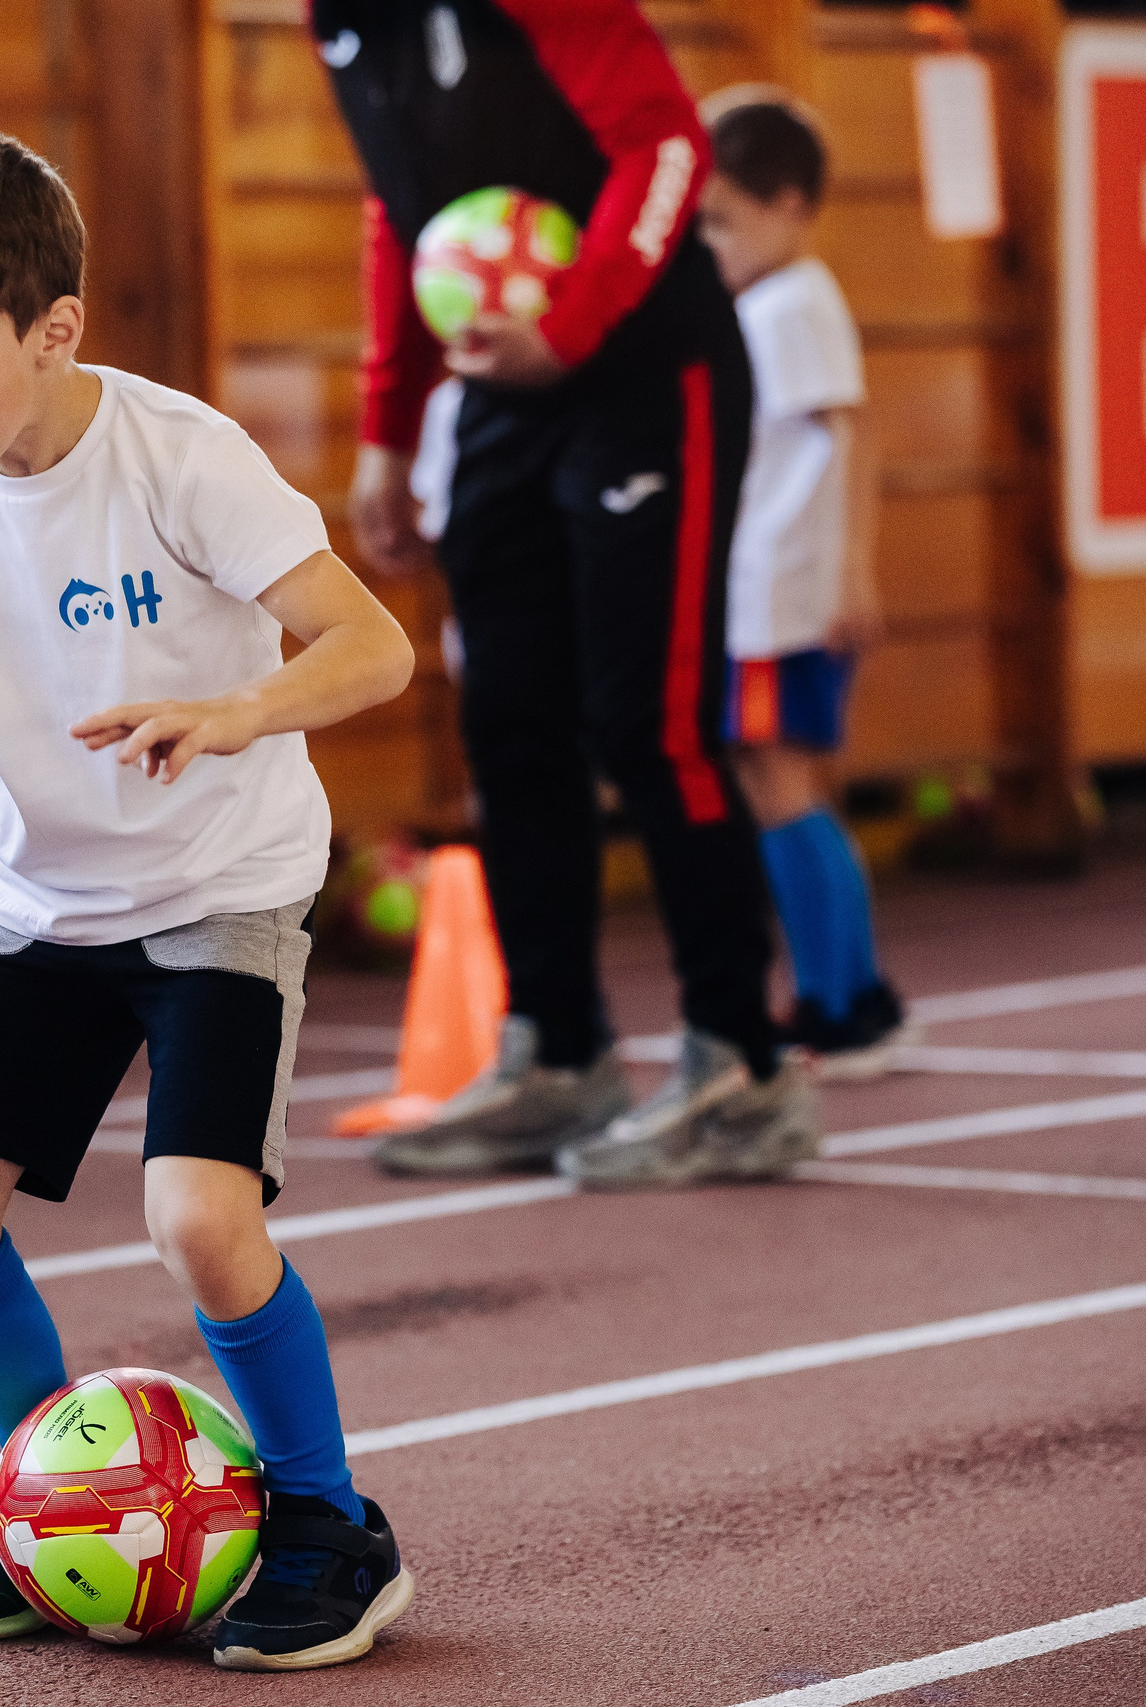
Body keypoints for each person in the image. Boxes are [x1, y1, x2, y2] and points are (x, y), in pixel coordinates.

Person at [0, 128, 420, 1670]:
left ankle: (326, 1521)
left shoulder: (180, 456)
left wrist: (233, 710)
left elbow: (372, 648)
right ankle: (38, 1492)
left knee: (198, 1218)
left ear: (53, 329)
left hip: (221, 888)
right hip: (47, 896)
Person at [314, 0, 822, 1188]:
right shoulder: (339, 19)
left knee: (650, 724)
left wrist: (578, 316)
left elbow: (665, 150)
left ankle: (746, 1069)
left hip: (647, 367)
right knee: (508, 728)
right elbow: (406, 213)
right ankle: (556, 1058)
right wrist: (389, 429)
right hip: (506, 390)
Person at [698, 93, 913, 1076]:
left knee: (780, 784)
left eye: (722, 219)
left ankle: (843, 1003)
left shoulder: (792, 306)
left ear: (788, 206)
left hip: (783, 591)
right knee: (779, 784)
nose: (709, 241)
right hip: (762, 586)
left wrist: (851, 570)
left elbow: (850, 433)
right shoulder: (767, 304)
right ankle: (846, 992)